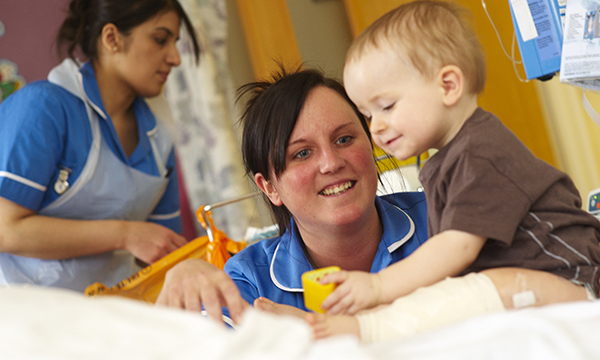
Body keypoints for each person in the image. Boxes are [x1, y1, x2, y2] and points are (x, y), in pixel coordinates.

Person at [306, 0, 600, 343]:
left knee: (459, 294)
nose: (377, 127)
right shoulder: (449, 158)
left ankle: (368, 331)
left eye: (386, 106)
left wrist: (377, 285)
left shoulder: (480, 152)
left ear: (448, 86)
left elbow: (457, 248)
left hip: (572, 282)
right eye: (368, 115)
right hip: (526, 283)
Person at [155, 67, 430, 325]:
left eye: (344, 139)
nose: (331, 163)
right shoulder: (251, 281)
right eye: (302, 153)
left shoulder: (440, 215)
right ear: (270, 188)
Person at [0, 0, 201, 292]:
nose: (174, 58)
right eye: (160, 40)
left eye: (175, 43)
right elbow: (6, 229)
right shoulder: (44, 107)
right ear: (112, 39)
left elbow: (160, 252)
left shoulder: (161, 135)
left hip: (113, 312)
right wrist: (125, 234)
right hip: (25, 316)